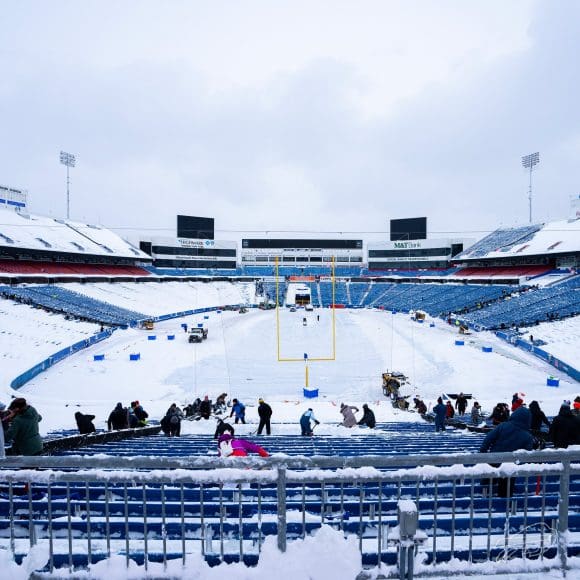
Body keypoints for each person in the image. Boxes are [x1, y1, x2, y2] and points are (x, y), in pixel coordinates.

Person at [479, 406, 535, 497]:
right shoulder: (528, 436)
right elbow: (527, 454)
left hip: (494, 460)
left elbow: (488, 438)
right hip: (510, 466)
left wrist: (482, 453)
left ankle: (485, 500)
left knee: (487, 485)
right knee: (506, 491)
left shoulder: (503, 426)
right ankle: (504, 505)